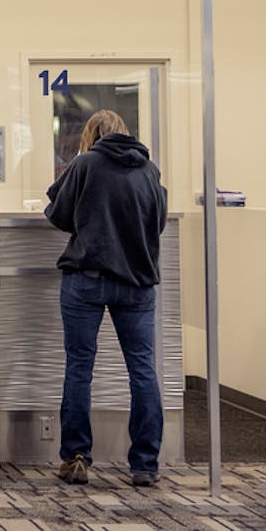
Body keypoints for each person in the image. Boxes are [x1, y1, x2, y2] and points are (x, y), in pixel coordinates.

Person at [45, 109, 168, 488]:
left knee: (80, 367)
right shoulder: (149, 171)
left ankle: (77, 457)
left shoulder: (84, 165)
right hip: (136, 282)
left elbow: (58, 214)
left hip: (88, 278)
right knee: (143, 369)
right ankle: (145, 464)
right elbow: (158, 222)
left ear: (91, 134)